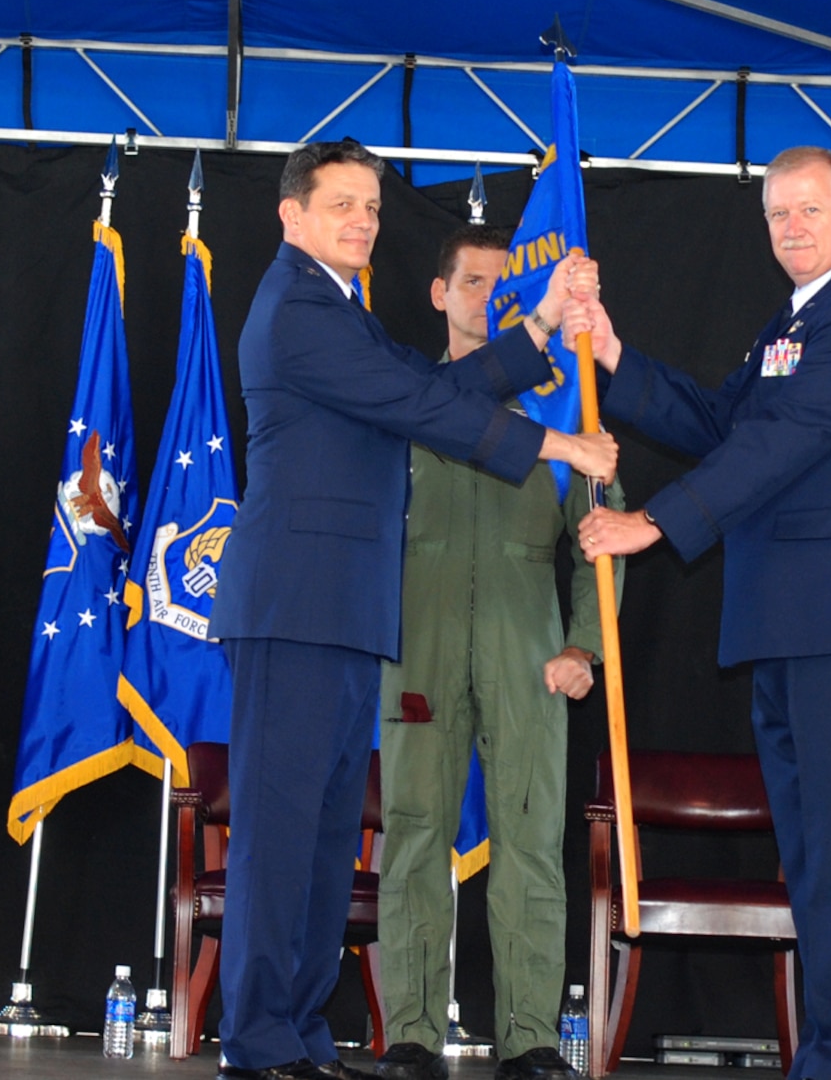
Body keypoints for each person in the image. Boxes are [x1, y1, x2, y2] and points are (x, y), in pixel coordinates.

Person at [208, 139, 617, 1080]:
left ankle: (299, 1032)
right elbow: (419, 407)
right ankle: (259, 1041)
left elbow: (437, 385)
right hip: (297, 607)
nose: (361, 221)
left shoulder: (341, 308)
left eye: (372, 207)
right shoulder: (296, 308)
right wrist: (556, 440)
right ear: (291, 215)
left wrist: (544, 320)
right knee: (280, 836)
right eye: (341, 203)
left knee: (319, 838)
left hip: (350, 612)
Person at [575, 146, 831, 1080]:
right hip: (789, 625)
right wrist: (614, 354)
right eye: (777, 214)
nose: (792, 227)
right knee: (817, 864)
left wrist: (653, 520)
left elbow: (778, 445)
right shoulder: (796, 322)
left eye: (810, 210)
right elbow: (724, 423)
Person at [374, 225, 624, 1080]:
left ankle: (530, 1040)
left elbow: (603, 537)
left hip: (528, 653)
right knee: (411, 837)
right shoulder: (404, 398)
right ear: (439, 293)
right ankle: (409, 1031)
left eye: (497, 283)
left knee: (528, 842)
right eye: (469, 282)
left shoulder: (564, 407)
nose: (484, 296)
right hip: (417, 648)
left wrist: (584, 646)